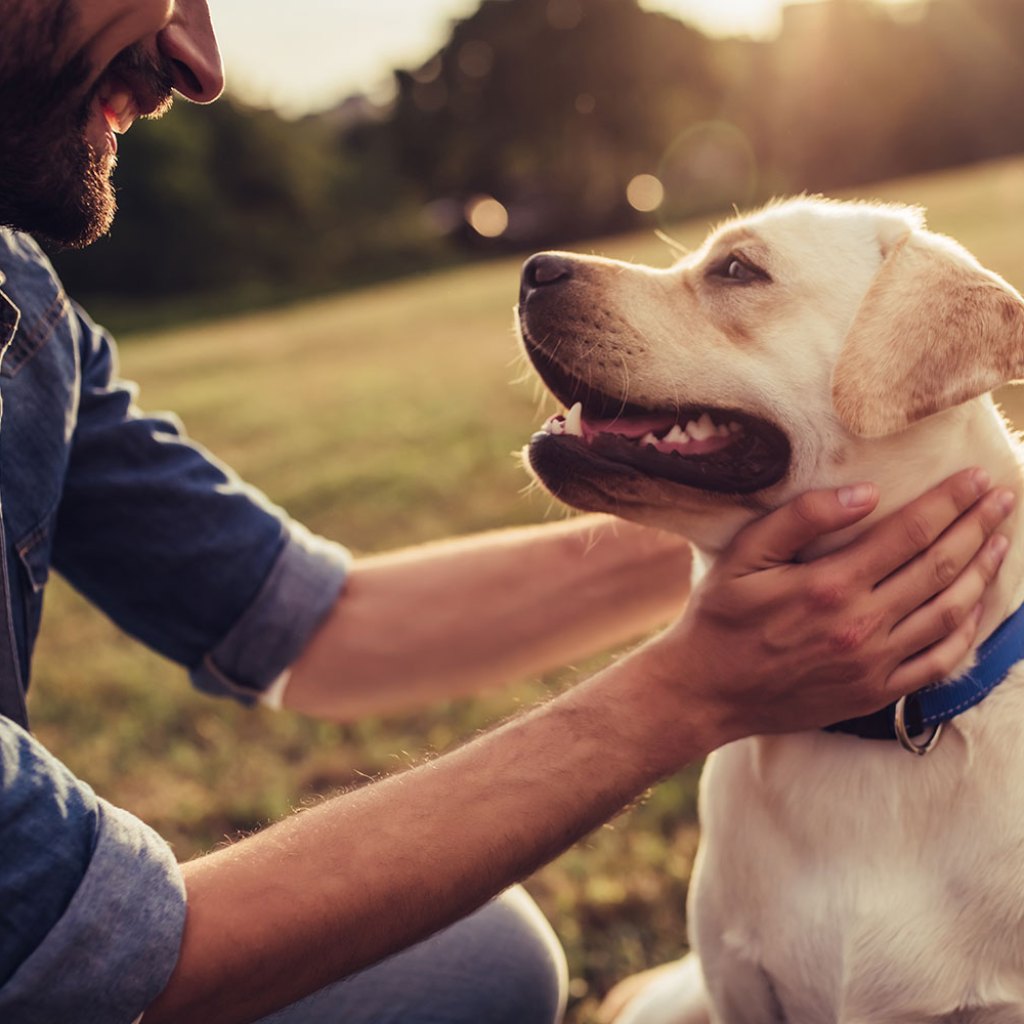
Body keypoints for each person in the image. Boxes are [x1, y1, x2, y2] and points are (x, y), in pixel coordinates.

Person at [0, 3, 1013, 1024]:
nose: (200, 61)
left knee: (484, 958)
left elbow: (317, 620)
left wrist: (822, 532)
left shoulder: (25, 309)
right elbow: (83, 947)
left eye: (737, 275)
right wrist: (686, 693)